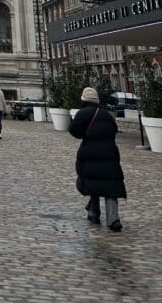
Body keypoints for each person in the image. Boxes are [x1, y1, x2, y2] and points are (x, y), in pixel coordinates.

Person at [69, 86, 126, 232]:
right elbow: (114, 130)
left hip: (90, 154)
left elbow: (74, 130)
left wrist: (86, 134)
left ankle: (94, 213)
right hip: (110, 154)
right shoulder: (106, 114)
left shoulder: (82, 113)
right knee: (111, 186)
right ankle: (113, 219)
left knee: (92, 182)